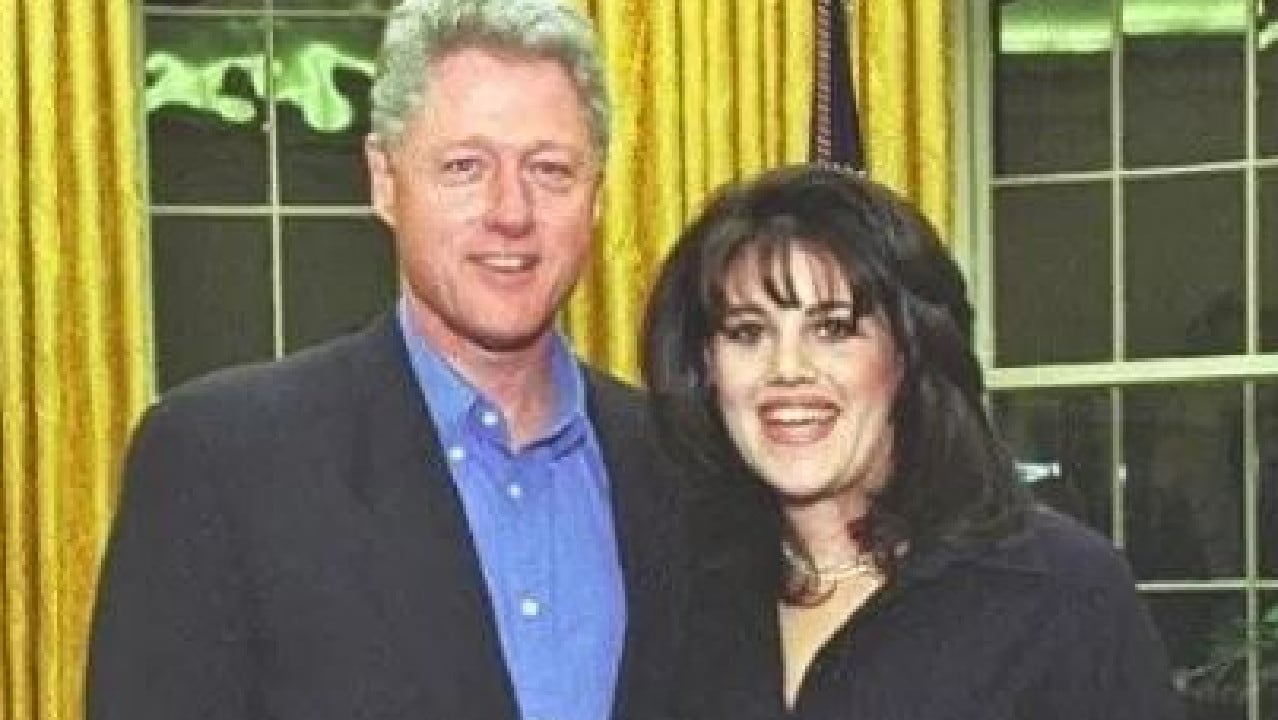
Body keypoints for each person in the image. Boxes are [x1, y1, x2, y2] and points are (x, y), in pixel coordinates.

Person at [87, 2, 683, 720]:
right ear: (383, 179)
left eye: (550, 169)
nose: (512, 212)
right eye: (465, 167)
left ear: (597, 195)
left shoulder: (685, 468)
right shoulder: (219, 462)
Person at [641, 165, 1185, 720]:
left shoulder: (1060, 593)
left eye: (833, 329)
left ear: (908, 354)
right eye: (747, 333)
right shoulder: (676, 594)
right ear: (705, 367)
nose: (787, 370)